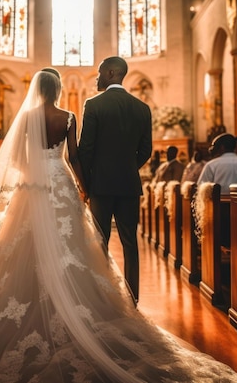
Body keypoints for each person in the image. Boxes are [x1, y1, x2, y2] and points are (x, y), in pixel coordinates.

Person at [0, 70, 237, 383]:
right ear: (58, 90)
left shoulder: (26, 117)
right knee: (71, 246)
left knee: (20, 248)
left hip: (32, 185)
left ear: (35, 89)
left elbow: (16, 158)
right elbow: (74, 156)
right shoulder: (68, 116)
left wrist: (30, 177)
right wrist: (84, 186)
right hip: (59, 180)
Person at [78, 56, 152, 304]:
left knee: (100, 242)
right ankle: (133, 297)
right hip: (129, 185)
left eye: (99, 72)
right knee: (130, 242)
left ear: (111, 73)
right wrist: (129, 168)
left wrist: (86, 183)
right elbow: (146, 150)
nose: (97, 77)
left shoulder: (94, 105)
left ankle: (100, 297)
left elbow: (85, 149)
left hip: (101, 184)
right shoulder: (142, 108)